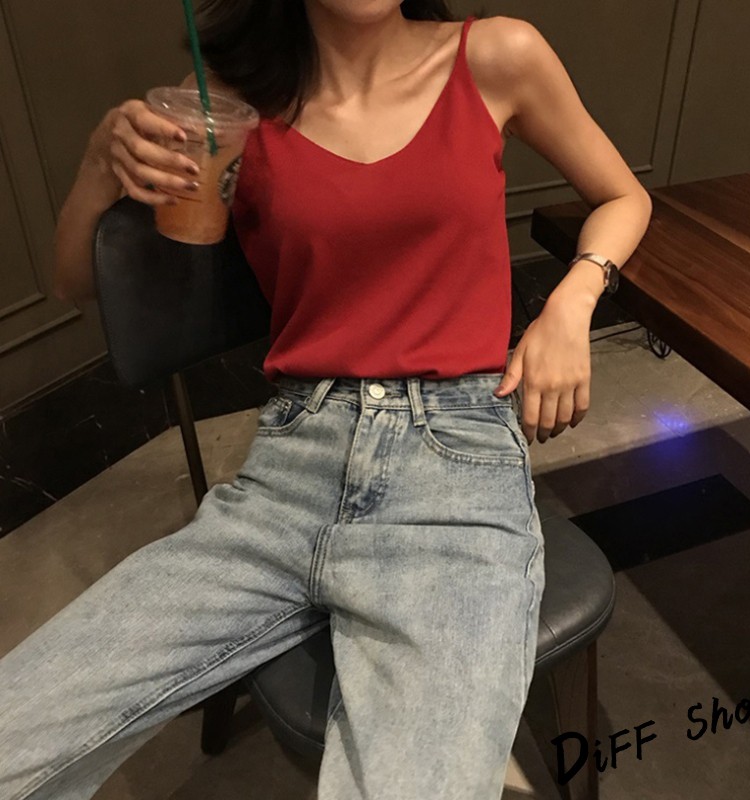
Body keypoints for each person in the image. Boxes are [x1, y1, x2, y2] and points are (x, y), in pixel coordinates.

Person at [0, 1, 652, 798]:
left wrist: (571, 304)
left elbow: (625, 196)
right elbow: (75, 283)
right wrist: (100, 168)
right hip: (291, 463)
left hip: (454, 468)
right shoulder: (231, 101)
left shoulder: (497, 55)